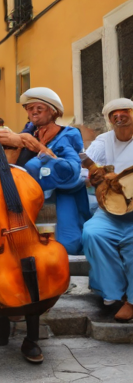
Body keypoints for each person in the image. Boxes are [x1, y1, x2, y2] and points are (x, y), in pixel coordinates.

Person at [0, 87, 90, 255]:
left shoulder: (68, 134)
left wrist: (38, 147)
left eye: (39, 108)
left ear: (53, 112)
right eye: (30, 108)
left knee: (69, 243)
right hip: (28, 196)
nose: (34, 112)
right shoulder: (27, 132)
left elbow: (72, 170)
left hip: (62, 193)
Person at [82, 98, 133, 322]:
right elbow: (87, 165)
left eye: (125, 113)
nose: (120, 117)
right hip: (110, 209)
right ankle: (113, 292)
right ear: (109, 119)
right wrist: (93, 175)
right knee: (93, 233)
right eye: (115, 114)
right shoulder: (104, 140)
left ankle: (131, 301)